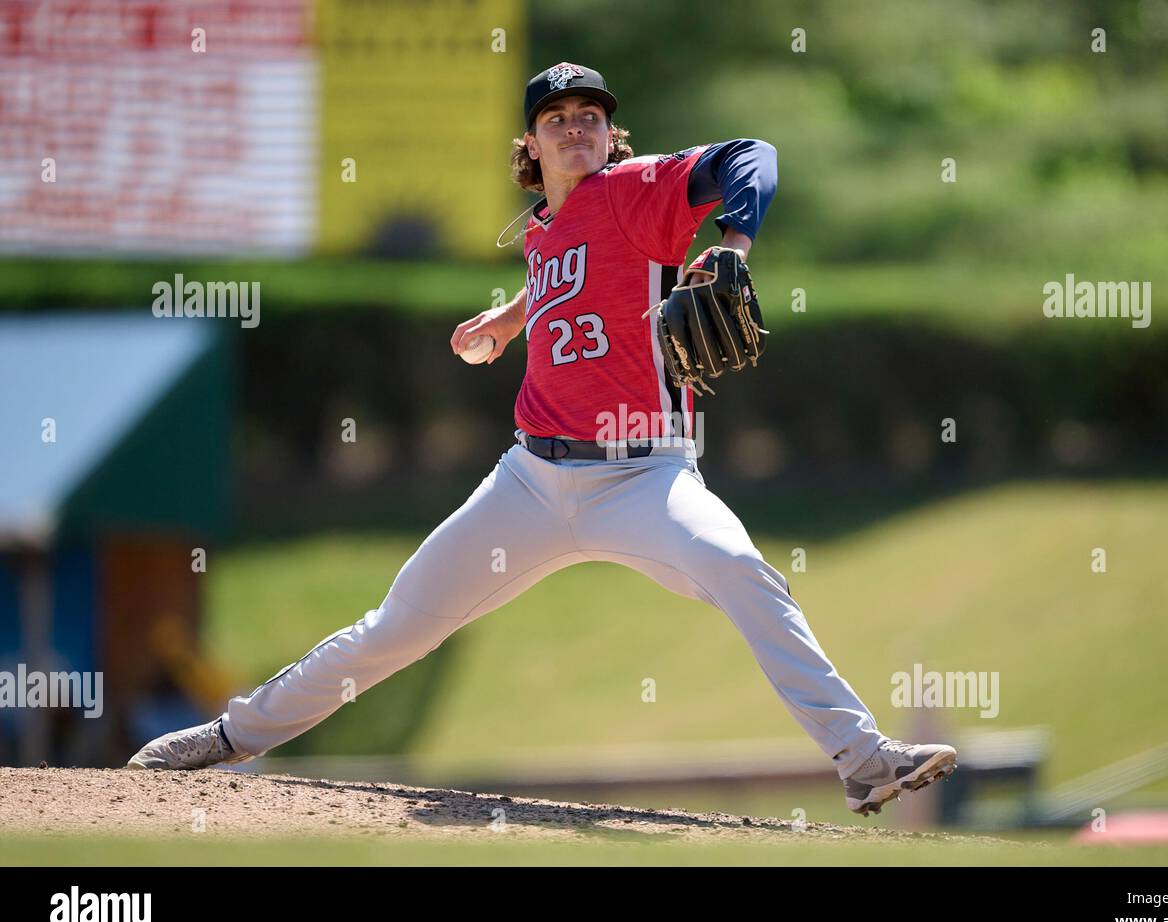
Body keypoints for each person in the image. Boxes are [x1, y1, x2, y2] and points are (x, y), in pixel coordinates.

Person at [128, 62, 958, 817]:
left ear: (610, 132)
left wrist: (734, 243)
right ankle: (231, 738)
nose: (575, 126)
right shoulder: (540, 231)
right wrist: (510, 316)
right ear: (530, 141)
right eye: (555, 116)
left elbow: (756, 154)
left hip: (644, 480)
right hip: (528, 482)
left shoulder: (636, 188)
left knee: (744, 572)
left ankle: (862, 758)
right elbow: (573, 276)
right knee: (394, 630)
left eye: (590, 113)